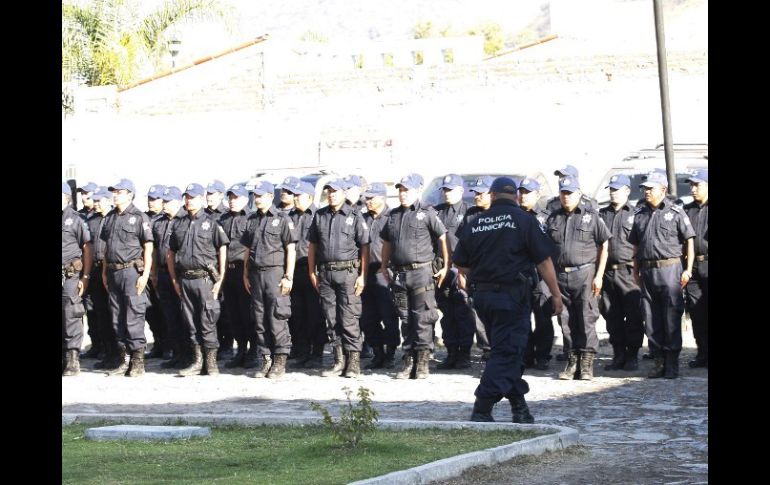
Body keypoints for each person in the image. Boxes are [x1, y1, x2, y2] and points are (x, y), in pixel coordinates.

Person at [453, 177, 563, 423]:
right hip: (511, 297)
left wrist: (483, 272)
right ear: (515, 196)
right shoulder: (524, 220)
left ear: (492, 195)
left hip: (483, 297)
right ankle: (482, 407)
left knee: (506, 350)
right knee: (508, 353)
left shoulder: (476, 222)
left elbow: (460, 262)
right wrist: (556, 294)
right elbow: (544, 260)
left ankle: (519, 408)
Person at [380, 173, 449, 379]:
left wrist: (445, 266)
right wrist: (383, 266)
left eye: (407, 190)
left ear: (418, 190)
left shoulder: (427, 212)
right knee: (406, 319)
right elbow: (387, 243)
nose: (403, 194)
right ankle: (408, 360)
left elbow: (443, 237)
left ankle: (422, 362)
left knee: (423, 318)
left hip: (422, 272)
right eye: (401, 190)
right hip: (400, 274)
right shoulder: (393, 215)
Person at [629, 171, 695, 379]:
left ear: (663, 189)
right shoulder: (640, 214)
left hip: (670, 269)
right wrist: (636, 270)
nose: (646, 192)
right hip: (647, 271)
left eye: (651, 188)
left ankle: (672, 362)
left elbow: (689, 240)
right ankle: (658, 361)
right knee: (650, 317)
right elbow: (635, 245)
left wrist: (688, 269)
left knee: (671, 316)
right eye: (645, 188)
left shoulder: (676, 212)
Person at [544, 176, 610, 381]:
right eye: (563, 193)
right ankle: (572, 360)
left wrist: (599, 275)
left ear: (579, 194)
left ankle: (587, 363)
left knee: (586, 317)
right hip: (561, 275)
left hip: (585, 273)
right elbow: (546, 249)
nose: (566, 197)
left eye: (570, 193)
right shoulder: (553, 218)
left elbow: (604, 245)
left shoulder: (592, 216)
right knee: (565, 319)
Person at [308, 178, 370, 378]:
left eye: (335, 191)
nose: (331, 195)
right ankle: (338, 361)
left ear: (344, 193)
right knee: (331, 318)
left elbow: (365, 247)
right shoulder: (320, 215)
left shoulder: (355, 215)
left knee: (349, 317)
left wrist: (363, 276)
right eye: (329, 191)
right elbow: (312, 246)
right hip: (325, 274)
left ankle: (353, 362)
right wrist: (311, 272)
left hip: (348, 273)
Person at [168, 183, 229, 377]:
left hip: (205, 279)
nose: (189, 200)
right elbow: (171, 252)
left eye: (192, 197)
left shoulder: (211, 222)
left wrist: (220, 279)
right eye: (186, 197)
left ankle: (211, 363)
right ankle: (197, 361)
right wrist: (174, 279)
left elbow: (222, 248)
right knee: (190, 322)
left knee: (207, 319)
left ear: (201, 199)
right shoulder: (179, 223)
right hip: (185, 279)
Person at [241, 180, 297, 379]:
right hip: (256, 274)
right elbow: (247, 249)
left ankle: (280, 360)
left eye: (260, 195)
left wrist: (288, 276)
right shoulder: (251, 220)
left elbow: (291, 249)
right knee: (259, 318)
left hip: (275, 273)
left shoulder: (282, 219)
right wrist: (245, 274)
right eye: (255, 196)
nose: (257, 199)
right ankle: (266, 358)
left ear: (270, 196)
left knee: (277, 316)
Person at [100, 178, 153, 377]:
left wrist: (145, 275)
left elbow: (148, 248)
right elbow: (106, 248)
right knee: (117, 317)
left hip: (131, 272)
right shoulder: (110, 217)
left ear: (130, 194)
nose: (115, 195)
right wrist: (104, 271)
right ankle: (123, 360)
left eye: (119, 192)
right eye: (113, 192)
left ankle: (138, 361)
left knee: (134, 315)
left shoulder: (139, 217)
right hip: (113, 272)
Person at [597, 174, 644, 371]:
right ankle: (618, 354)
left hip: (629, 271)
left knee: (633, 315)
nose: (613, 193)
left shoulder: (637, 214)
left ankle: (632, 355)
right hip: (608, 272)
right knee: (612, 316)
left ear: (627, 191)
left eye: (616, 189)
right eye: (611, 189)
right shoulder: (601, 214)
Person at [433, 174, 475, 370]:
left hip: (460, 268)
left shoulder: (468, 212)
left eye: (450, 190)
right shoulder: (436, 212)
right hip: (440, 268)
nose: (447, 193)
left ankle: (464, 354)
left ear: (461, 190)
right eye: (445, 190)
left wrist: (465, 272)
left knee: (463, 312)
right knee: (447, 313)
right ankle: (451, 352)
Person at [516, 177, 557, 370]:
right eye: (521, 192)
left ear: (537, 194)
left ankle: (542, 355)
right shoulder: (514, 216)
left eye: (528, 192)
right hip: (521, 274)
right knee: (521, 318)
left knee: (543, 317)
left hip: (541, 275)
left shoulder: (547, 217)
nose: (523, 196)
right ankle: (526, 355)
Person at [286, 181, 326, 369]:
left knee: (315, 314)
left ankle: (317, 353)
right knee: (297, 314)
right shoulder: (289, 217)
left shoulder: (318, 216)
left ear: (309, 197)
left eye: (298, 195)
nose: (295, 198)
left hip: (312, 270)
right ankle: (302, 351)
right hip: (293, 271)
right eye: (294, 195)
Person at [360, 182, 400, 369]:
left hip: (384, 273)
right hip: (365, 274)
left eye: (371, 198)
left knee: (389, 315)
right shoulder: (362, 218)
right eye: (366, 198)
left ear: (382, 198)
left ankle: (390, 353)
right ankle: (377, 353)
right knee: (368, 317)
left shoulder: (392, 217)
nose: (367, 201)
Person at [218, 183, 257, 369]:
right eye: (230, 197)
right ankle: (241, 350)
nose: (232, 201)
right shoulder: (222, 219)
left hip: (245, 271)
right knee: (233, 314)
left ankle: (253, 351)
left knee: (248, 313)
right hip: (228, 271)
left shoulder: (251, 218)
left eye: (236, 198)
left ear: (245, 199)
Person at [152, 186, 190, 370]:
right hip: (163, 274)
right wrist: (153, 274)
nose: (164, 204)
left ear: (178, 202)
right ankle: (177, 353)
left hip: (181, 274)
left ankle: (188, 355)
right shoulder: (158, 222)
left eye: (168, 201)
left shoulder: (185, 220)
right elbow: (153, 249)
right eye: (163, 201)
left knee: (185, 316)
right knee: (170, 316)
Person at [62, 182, 93, 376]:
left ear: (66, 197)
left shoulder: (76, 219)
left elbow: (87, 248)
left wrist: (86, 276)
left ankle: (72, 359)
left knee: (71, 314)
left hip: (69, 275)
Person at [464, 175, 495, 360]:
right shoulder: (471, 214)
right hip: (476, 271)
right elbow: (463, 243)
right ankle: (487, 348)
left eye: (481, 193)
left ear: (492, 194)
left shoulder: (501, 213)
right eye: (476, 193)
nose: (477, 196)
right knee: (477, 311)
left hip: (497, 271)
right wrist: (462, 272)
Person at [81, 187, 113, 363]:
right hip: (94, 269)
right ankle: (101, 347)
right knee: (96, 311)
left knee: (112, 311)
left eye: (99, 200)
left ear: (108, 200)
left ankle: (115, 350)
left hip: (110, 269)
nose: (96, 203)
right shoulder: (91, 220)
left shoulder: (114, 218)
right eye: (95, 200)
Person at [206, 179, 234, 360]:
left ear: (221, 195)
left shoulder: (226, 215)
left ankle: (227, 345)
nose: (209, 197)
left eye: (212, 193)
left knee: (225, 309)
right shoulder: (203, 215)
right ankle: (213, 344)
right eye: (208, 193)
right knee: (210, 308)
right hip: (207, 268)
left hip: (224, 266)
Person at [683, 169, 708, 368]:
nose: (693, 189)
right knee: (697, 313)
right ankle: (702, 353)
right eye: (691, 185)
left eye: (697, 185)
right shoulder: (687, 210)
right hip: (692, 266)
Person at [144, 184, 169, 359]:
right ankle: (159, 343)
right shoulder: (143, 218)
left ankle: (170, 345)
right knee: (150, 311)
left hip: (164, 271)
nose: (151, 202)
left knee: (165, 310)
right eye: (149, 198)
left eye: (155, 199)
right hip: (146, 272)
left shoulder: (167, 219)